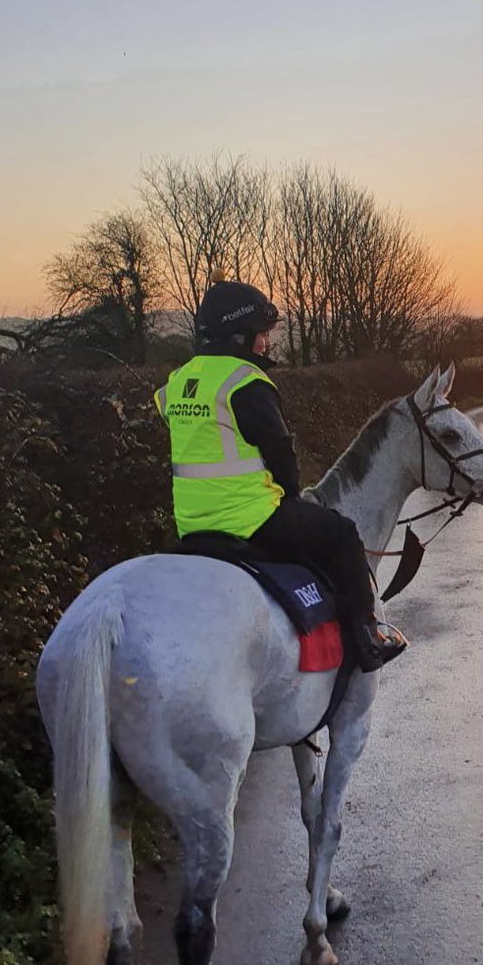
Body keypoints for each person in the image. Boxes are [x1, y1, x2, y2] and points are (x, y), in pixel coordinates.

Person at [155, 273, 408, 672]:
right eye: (260, 333)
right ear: (238, 336)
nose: (266, 342)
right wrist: (290, 495)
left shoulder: (176, 382)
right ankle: (368, 637)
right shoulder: (246, 381)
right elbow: (280, 453)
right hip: (251, 520)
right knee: (341, 535)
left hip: (191, 524)